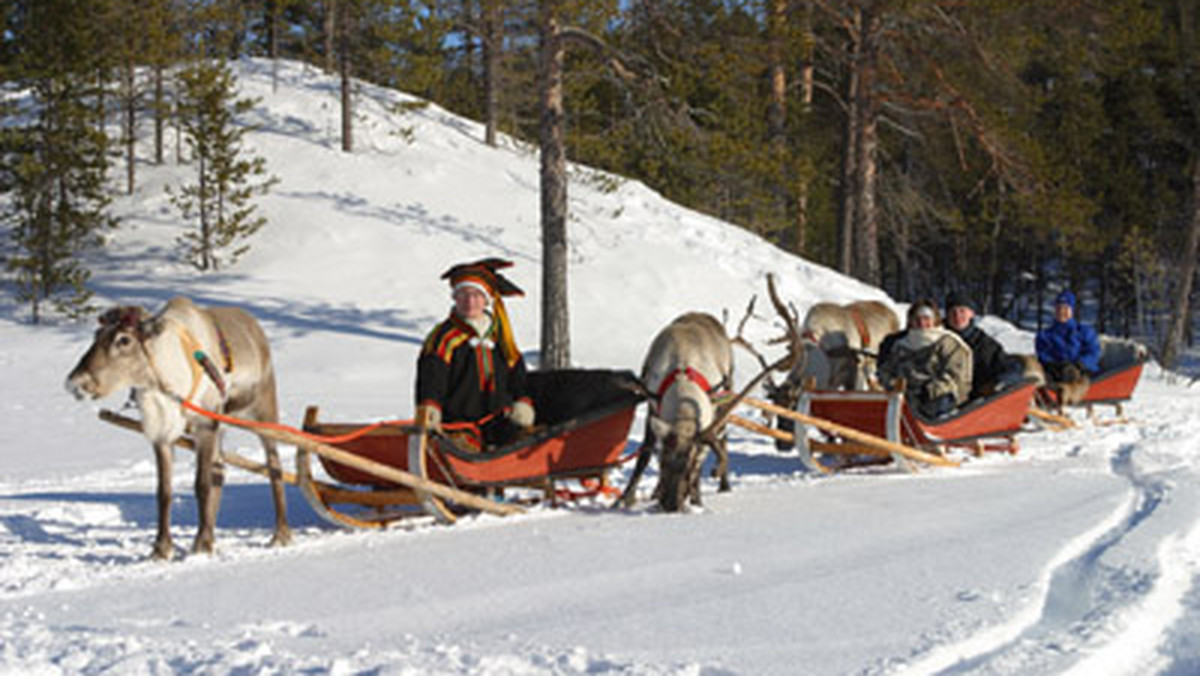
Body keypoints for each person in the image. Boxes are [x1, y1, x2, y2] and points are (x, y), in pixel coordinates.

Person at [415, 258, 535, 449]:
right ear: (455, 298)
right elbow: (431, 377)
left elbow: (517, 374)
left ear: (486, 300)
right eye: (463, 295)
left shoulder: (501, 336)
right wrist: (431, 406)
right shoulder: (443, 338)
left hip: (500, 420)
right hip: (458, 423)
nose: (470, 302)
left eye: (476, 295)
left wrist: (522, 401)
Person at [877, 299, 973, 419]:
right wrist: (891, 383)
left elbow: (957, 378)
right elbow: (887, 370)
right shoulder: (901, 345)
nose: (922, 323)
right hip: (904, 395)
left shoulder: (949, 343)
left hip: (938, 397)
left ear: (935, 320)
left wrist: (928, 390)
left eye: (926, 318)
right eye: (917, 319)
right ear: (911, 321)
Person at [944, 290, 1012, 399]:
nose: (957, 316)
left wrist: (999, 382)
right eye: (953, 311)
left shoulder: (985, 344)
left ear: (971, 313)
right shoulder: (936, 337)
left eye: (962, 311)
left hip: (978, 404)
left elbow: (1007, 367)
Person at [1035, 289, 1101, 390]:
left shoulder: (1083, 331)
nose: (1062, 312)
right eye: (1059, 308)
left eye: (1066, 308)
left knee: (1075, 375)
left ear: (1072, 310)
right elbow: (1043, 355)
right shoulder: (1045, 335)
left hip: (1082, 373)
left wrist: (1080, 364)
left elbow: (1093, 352)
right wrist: (1055, 366)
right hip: (1056, 374)